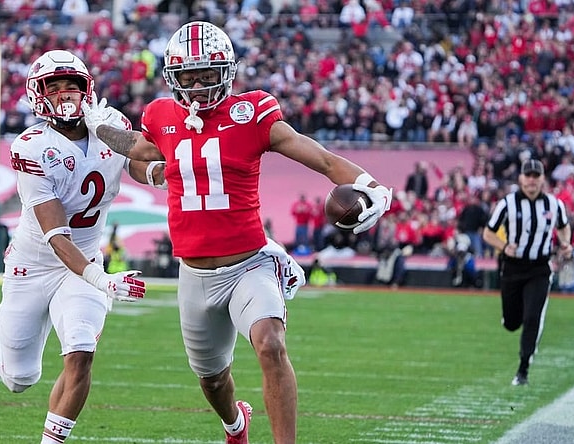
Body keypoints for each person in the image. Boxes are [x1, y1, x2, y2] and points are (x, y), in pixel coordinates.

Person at [82, 21, 392, 443]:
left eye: (207, 76)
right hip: (194, 274)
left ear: (225, 73)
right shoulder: (159, 115)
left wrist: (372, 186)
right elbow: (139, 153)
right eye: (187, 76)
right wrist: (101, 128)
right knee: (212, 381)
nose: (197, 87)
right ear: (173, 77)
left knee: (270, 343)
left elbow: (319, 157)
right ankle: (235, 424)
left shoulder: (253, 113)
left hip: (249, 264)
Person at [0, 49, 161, 444]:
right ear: (38, 93)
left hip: (84, 261)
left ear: (89, 90)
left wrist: (163, 175)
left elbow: (138, 163)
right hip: (35, 265)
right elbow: (55, 234)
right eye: (55, 86)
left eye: (73, 85)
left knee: (80, 353)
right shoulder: (29, 146)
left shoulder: (110, 122)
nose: (66, 93)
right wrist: (103, 280)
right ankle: (0, 331)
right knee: (19, 379)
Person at [482, 159, 573, 386]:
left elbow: (563, 225)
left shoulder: (554, 204)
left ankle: (523, 369)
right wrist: (504, 247)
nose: (532, 180)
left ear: (542, 179)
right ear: (521, 178)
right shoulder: (507, 204)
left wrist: (565, 243)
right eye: (528, 176)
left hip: (539, 268)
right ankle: (515, 317)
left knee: (532, 317)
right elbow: (488, 233)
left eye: (536, 176)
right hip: (512, 268)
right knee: (512, 323)